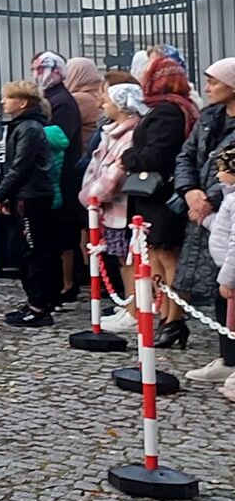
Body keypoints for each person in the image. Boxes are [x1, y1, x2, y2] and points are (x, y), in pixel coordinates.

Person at [122, 50, 196, 347]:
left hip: (161, 194)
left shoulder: (168, 111)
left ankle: (174, 318)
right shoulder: (172, 108)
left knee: (167, 256)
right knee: (155, 255)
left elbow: (158, 153)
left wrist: (129, 157)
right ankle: (166, 314)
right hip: (155, 195)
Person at [176, 57, 235, 379]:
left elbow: (230, 169)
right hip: (204, 210)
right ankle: (227, 357)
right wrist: (188, 190)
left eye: (214, 81)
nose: (208, 87)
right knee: (218, 285)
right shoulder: (209, 117)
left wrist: (208, 198)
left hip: (224, 206)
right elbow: (186, 155)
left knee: (230, 282)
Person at [0, 81, 58, 327]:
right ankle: (36, 300)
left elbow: (21, 166)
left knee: (31, 250)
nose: (3, 102)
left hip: (32, 195)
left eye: (8, 98)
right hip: (25, 193)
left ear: (22, 103)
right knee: (27, 249)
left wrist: (1, 193)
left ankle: (39, 306)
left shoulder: (29, 128)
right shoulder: (23, 126)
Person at [83, 82, 145, 327]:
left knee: (128, 261)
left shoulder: (129, 135)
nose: (102, 105)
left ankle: (135, 311)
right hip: (110, 208)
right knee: (120, 259)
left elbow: (114, 175)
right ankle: (129, 307)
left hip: (121, 206)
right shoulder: (114, 131)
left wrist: (92, 195)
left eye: (107, 101)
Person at [33, 52, 86, 302]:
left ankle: (67, 283)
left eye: (40, 70)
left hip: (63, 174)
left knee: (64, 234)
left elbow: (58, 138)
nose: (37, 75)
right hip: (55, 173)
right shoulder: (52, 97)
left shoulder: (62, 101)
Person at [199, 147, 235, 386]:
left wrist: (227, 278)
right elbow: (223, 228)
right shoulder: (230, 197)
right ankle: (228, 360)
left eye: (222, 171)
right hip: (224, 267)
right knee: (224, 319)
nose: (218, 176)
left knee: (231, 322)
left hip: (229, 272)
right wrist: (205, 220)